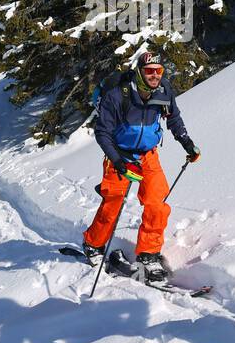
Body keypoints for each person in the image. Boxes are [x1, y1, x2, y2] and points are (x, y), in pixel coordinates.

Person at [82, 50, 201, 285]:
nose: (155, 76)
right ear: (139, 72)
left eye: (159, 71)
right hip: (120, 153)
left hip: (148, 155)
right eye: (149, 71)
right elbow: (102, 132)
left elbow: (174, 118)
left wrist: (187, 143)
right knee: (112, 205)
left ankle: (148, 254)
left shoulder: (164, 90)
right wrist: (117, 161)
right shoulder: (118, 95)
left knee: (157, 203)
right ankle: (93, 245)